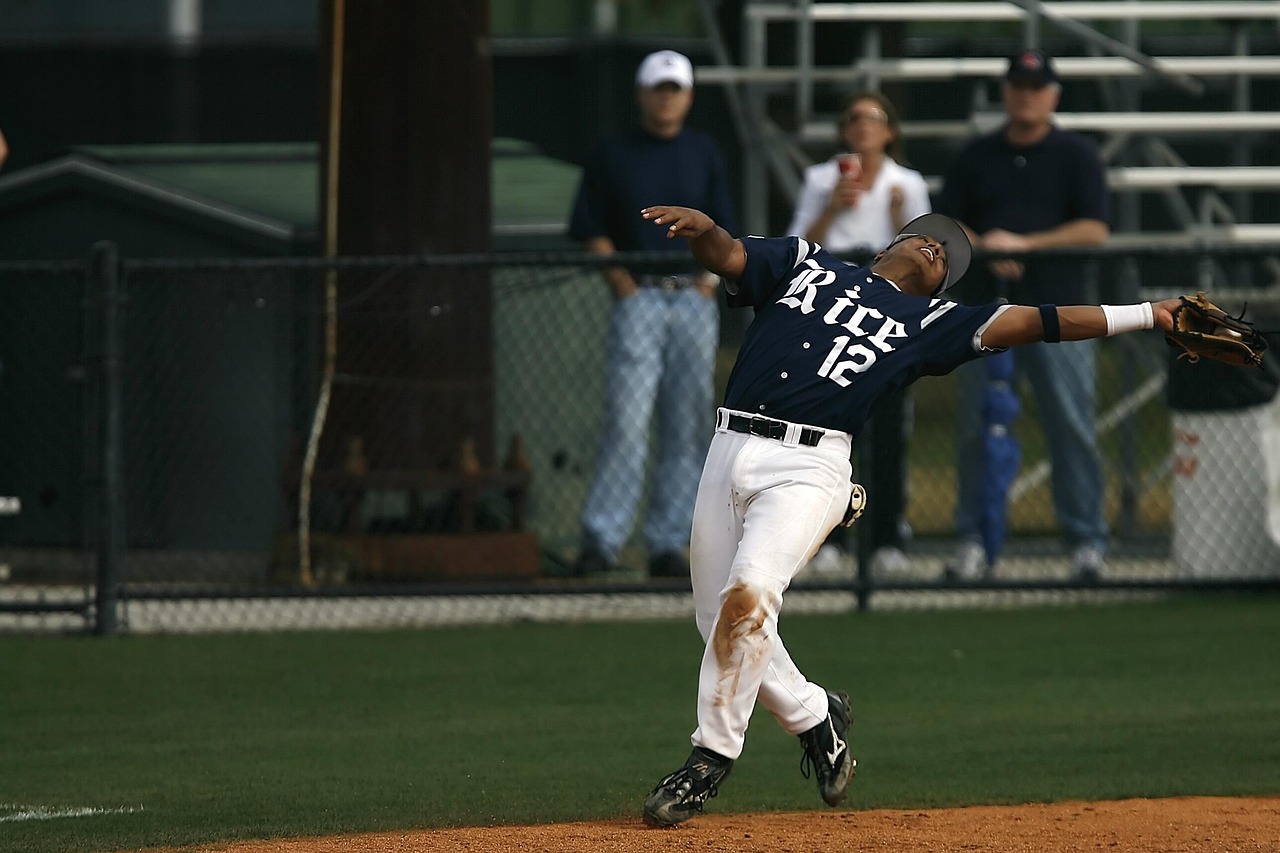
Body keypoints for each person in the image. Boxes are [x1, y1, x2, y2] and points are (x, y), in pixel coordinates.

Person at [633, 202, 1180, 827]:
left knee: (749, 596)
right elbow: (729, 256)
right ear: (897, 241)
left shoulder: (931, 320)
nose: (938, 252)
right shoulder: (805, 263)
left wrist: (1147, 313)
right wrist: (705, 232)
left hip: (811, 465)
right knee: (717, 617)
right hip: (728, 446)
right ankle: (818, 716)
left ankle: (709, 760)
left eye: (948, 259)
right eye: (932, 241)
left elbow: (1039, 321)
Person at [937, 48, 1112, 582]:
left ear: (1053, 95)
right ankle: (973, 538)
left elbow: (1094, 229)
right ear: (1006, 92)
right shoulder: (975, 155)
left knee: (1071, 424)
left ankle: (1085, 541)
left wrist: (1028, 244)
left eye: (1037, 87)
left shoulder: (1078, 155)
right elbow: (948, 225)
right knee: (976, 426)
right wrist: (988, 244)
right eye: (1018, 86)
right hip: (985, 311)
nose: (1027, 95)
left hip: (1061, 310)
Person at [567, 50, 737, 578]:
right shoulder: (611, 152)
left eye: (676, 89)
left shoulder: (705, 152)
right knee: (628, 420)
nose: (667, 97)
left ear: (688, 96)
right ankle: (604, 538)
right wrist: (619, 280)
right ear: (642, 93)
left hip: (692, 298)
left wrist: (710, 281)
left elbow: (723, 228)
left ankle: (669, 542)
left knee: (685, 426)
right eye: (659, 88)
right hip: (639, 296)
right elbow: (590, 225)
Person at [786, 91, 931, 576]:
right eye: (854, 119)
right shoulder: (821, 178)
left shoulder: (905, 183)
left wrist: (896, 221)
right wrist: (831, 209)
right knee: (827, 426)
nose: (864, 127)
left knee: (888, 425)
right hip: (832, 305)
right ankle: (826, 540)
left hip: (886, 310)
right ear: (845, 130)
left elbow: (927, 259)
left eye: (874, 118)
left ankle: (888, 537)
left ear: (889, 130)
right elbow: (798, 246)